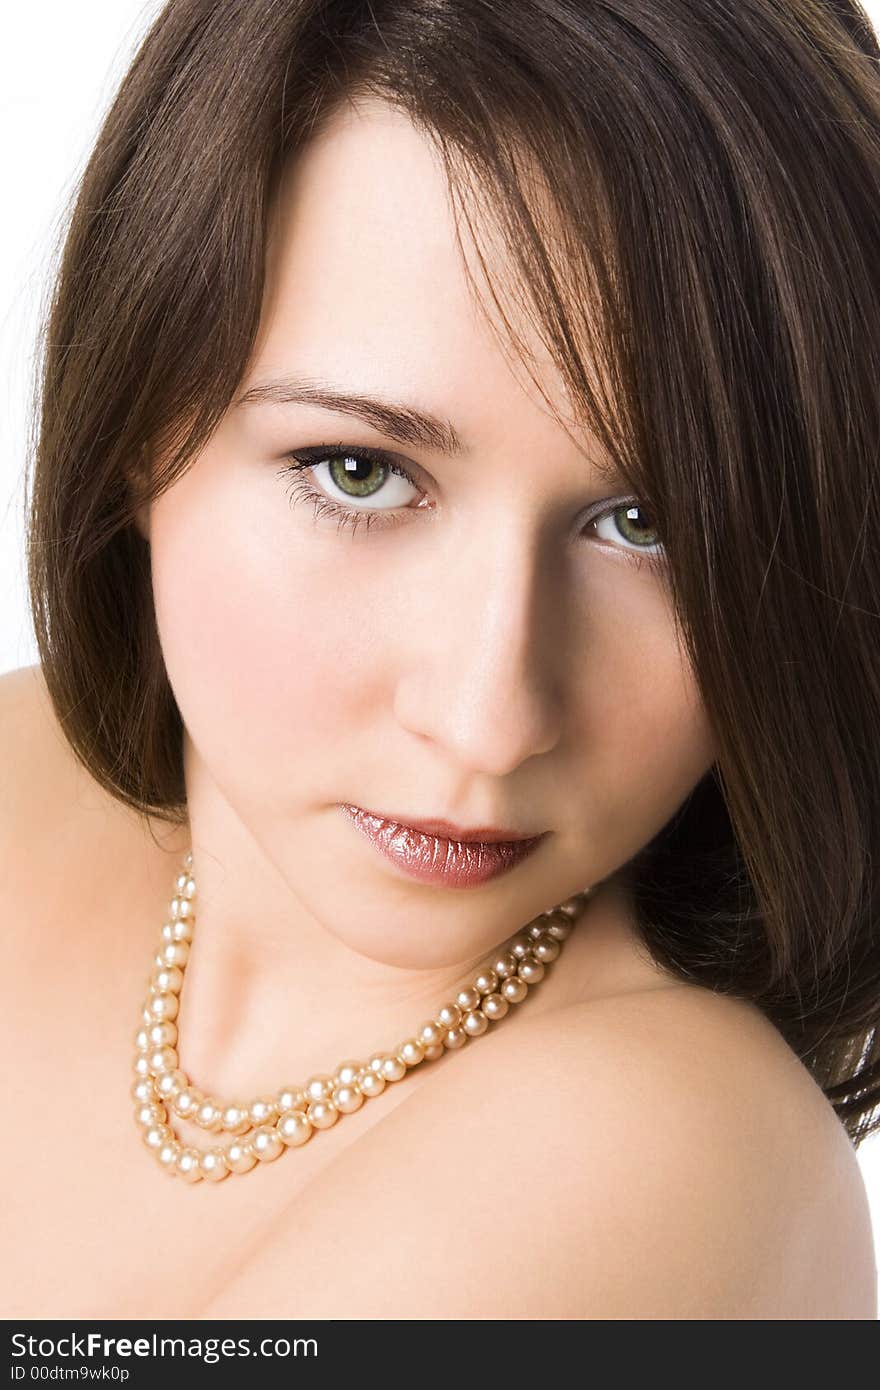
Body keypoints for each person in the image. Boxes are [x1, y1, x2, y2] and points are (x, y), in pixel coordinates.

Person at [3, 0, 879, 1320]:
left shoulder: (657, 1155)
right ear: (139, 417)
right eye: (361, 473)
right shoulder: (24, 777)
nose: (487, 720)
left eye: (651, 526)